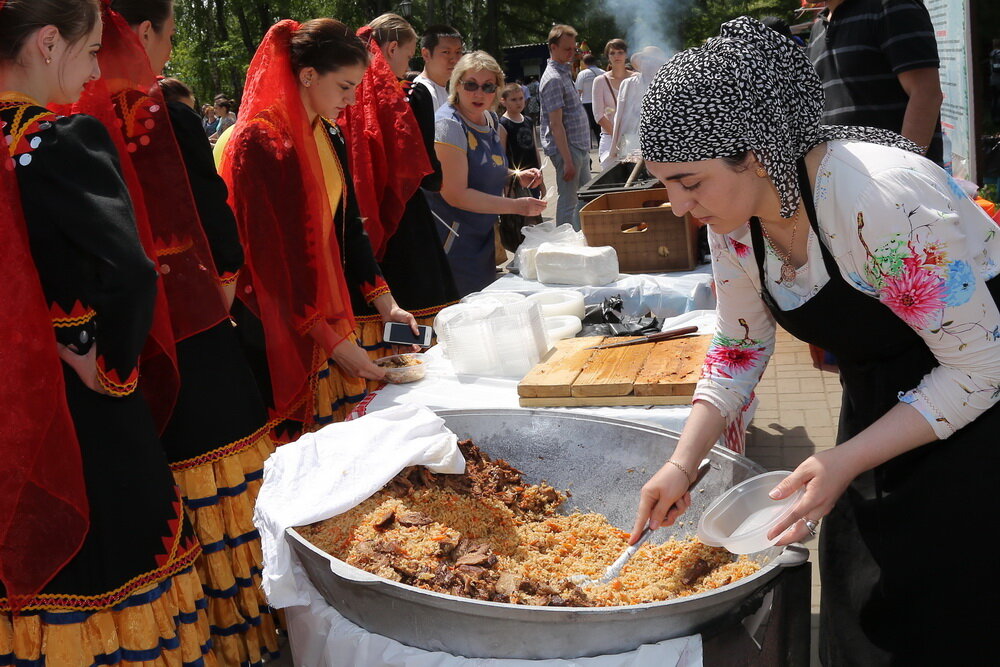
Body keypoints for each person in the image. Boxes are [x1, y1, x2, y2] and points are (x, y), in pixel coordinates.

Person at [634, 17, 1000, 664]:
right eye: (665, 183)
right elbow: (740, 346)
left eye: (688, 182)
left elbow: (979, 370)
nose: (678, 207)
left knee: (952, 605)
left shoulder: (877, 201)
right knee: (858, 595)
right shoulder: (738, 218)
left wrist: (848, 459)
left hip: (977, 404)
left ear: (754, 152)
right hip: (879, 399)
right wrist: (681, 463)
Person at [0, 0, 214, 663]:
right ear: (47, 43)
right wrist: (110, 363)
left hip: (11, 402)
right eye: (91, 50)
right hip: (77, 404)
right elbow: (130, 271)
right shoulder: (58, 142)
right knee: (113, 553)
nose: (96, 68)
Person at [77, 1, 281, 661]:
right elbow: (218, 228)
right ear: (141, 34)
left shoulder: (65, 118)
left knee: (170, 508)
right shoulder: (164, 109)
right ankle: (247, 635)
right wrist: (218, 290)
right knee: (226, 499)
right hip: (194, 334)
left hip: (121, 352)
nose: (167, 55)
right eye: (166, 38)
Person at [222, 18, 418, 436]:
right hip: (275, 329)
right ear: (308, 75)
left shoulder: (328, 134)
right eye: (345, 87)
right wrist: (330, 341)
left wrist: (387, 305)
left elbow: (348, 228)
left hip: (319, 322)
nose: (350, 101)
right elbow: (266, 262)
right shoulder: (258, 141)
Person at [340, 13, 459, 379]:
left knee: (377, 304)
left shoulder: (346, 94)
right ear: (391, 48)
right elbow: (429, 177)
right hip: (403, 222)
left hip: (360, 224)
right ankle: (421, 369)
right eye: (407, 56)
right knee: (421, 303)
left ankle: (383, 375)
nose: (408, 65)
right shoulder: (410, 95)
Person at [428, 51, 544, 296]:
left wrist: (513, 176)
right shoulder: (448, 125)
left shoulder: (490, 119)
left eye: (488, 86)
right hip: (453, 244)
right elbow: (456, 194)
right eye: (470, 85)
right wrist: (516, 206)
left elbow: (482, 170)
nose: (478, 93)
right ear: (457, 84)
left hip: (482, 239)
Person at [808, 0, 944, 166]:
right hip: (842, 179)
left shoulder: (890, 5)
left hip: (893, 180)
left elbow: (926, 94)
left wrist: (905, 170)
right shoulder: (818, 29)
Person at [539, 24, 591, 230]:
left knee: (585, 198)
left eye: (574, 49)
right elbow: (555, 124)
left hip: (577, 147)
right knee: (569, 202)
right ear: (553, 47)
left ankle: (579, 237)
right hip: (568, 149)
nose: (572, 53)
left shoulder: (563, 73)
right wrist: (567, 160)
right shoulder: (552, 78)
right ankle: (564, 244)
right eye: (567, 49)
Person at [609, 46, 665, 164]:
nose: (648, 63)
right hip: (630, 142)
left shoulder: (665, 86)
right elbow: (619, 116)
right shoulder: (628, 84)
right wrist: (614, 146)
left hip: (658, 146)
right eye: (645, 60)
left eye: (653, 61)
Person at [591, 38, 633, 170]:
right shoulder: (600, 81)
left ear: (626, 54)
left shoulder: (636, 78)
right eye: (612, 53)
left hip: (633, 138)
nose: (616, 56)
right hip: (610, 139)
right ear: (607, 57)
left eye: (620, 52)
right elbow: (599, 115)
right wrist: (618, 138)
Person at [500, 82, 545, 197]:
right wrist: (507, 183)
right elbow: (501, 157)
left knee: (535, 211)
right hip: (515, 180)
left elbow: (535, 149)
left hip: (533, 176)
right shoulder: (503, 124)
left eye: (521, 98)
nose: (519, 102)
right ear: (503, 101)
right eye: (513, 100)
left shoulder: (528, 121)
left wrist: (542, 180)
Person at [414, 24, 463, 113]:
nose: (454, 60)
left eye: (458, 52)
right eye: (446, 52)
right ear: (426, 54)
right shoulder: (421, 93)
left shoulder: (451, 93)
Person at [575, 52, 603, 145]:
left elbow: (578, 91)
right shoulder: (603, 72)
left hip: (586, 104)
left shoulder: (582, 74)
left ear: (584, 63)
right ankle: (601, 146)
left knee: (587, 128)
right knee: (600, 128)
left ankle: (587, 147)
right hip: (601, 103)